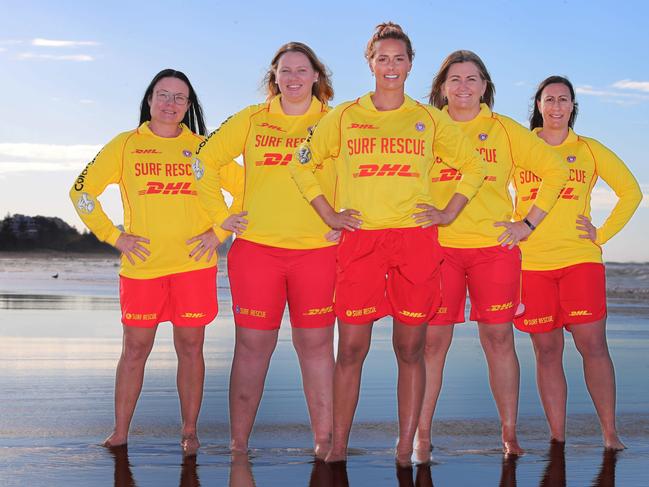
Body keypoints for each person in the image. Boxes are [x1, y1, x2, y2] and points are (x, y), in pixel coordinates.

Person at [290, 23, 486, 464]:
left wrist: (449, 211)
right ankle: (338, 447)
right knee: (352, 349)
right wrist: (328, 212)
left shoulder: (430, 119)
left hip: (415, 242)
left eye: (399, 58)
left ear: (411, 64)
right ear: (370, 62)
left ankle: (404, 449)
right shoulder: (343, 116)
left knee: (409, 349)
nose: (391, 66)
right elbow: (302, 163)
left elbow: (472, 166)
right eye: (383, 58)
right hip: (361, 242)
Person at [69, 69, 242, 455]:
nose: (170, 104)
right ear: (149, 99)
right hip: (143, 268)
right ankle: (119, 432)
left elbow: (248, 189)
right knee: (134, 349)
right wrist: (114, 236)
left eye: (180, 98)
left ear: (189, 106)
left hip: (193, 267)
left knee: (191, 348)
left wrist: (219, 233)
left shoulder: (204, 148)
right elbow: (80, 192)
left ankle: (190, 431)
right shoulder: (126, 145)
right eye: (163, 95)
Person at [414, 51, 568, 457]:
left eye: (473, 79)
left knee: (499, 339)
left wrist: (527, 224)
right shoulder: (425, 126)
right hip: (439, 247)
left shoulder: (503, 129)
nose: (463, 87)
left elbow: (556, 171)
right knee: (431, 344)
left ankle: (509, 433)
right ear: (441, 87)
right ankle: (421, 433)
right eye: (455, 79)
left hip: (494, 249)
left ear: (485, 87)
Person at [192, 42, 337, 458]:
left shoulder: (334, 120)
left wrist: (344, 222)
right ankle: (239, 446)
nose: (292, 78)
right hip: (257, 253)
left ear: (316, 76)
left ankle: (324, 443)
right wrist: (222, 217)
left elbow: (357, 173)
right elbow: (203, 161)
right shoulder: (251, 120)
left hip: (318, 252)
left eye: (301, 70)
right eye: (284, 71)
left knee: (316, 349)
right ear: (274, 77)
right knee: (253, 349)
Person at [513, 76, 642, 450]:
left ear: (573, 106)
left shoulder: (588, 149)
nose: (556, 107)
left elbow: (631, 192)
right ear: (538, 105)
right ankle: (557, 437)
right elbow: (487, 185)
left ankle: (609, 433)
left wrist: (601, 234)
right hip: (532, 264)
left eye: (563, 100)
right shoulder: (520, 148)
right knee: (547, 352)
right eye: (549, 99)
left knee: (593, 345)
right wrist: (508, 228)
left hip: (579, 260)